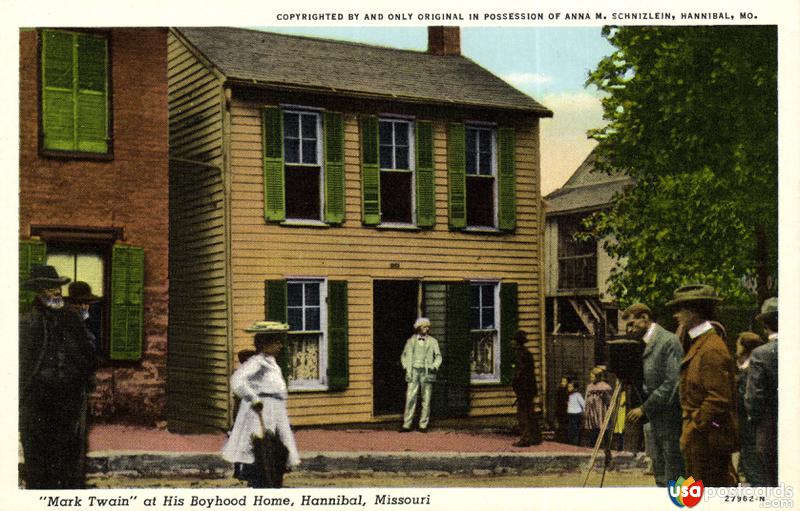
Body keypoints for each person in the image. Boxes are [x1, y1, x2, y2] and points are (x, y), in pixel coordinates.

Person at [19, 265, 95, 489]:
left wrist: (82, 380)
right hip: (38, 402)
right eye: (49, 288)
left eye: (57, 287)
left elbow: (87, 354)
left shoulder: (72, 319)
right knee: (39, 456)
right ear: (38, 291)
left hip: (69, 400)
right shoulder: (27, 320)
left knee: (69, 456)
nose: (56, 292)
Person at [669, 284, 738, 486]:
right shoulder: (702, 343)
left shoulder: (711, 348)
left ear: (693, 312)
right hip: (704, 440)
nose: (677, 315)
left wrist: (694, 427)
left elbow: (718, 399)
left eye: (680, 310)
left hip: (707, 441)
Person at [221, 321, 300, 488]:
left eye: (280, 342)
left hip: (275, 410)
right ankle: (261, 481)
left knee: (276, 447)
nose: (280, 346)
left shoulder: (271, 362)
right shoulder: (257, 362)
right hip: (262, 411)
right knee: (261, 447)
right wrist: (253, 398)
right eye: (276, 342)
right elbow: (237, 381)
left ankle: (272, 477)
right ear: (265, 343)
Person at [621, 303, 684, 487]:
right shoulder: (643, 343)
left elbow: (672, 383)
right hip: (654, 417)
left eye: (633, 324)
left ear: (645, 319)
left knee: (672, 468)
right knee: (659, 467)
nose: (630, 329)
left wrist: (644, 408)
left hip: (668, 415)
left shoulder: (667, 341)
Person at [745, 297, 778, 486]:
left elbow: (754, 397)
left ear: (765, 324)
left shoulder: (760, 354)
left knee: (770, 482)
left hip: (768, 430)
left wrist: (755, 420)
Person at [736, 331, 767, 486]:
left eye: (738, 343)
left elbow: (747, 397)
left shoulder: (749, 370)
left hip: (749, 425)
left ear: (744, 347)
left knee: (752, 467)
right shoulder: (748, 367)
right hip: (749, 425)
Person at [399, 318, 442, 433]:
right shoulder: (411, 341)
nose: (427, 329)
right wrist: (406, 367)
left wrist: (434, 366)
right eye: (424, 327)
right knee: (410, 397)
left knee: (426, 398)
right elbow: (403, 356)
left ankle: (423, 425)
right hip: (413, 372)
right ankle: (407, 424)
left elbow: (438, 356)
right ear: (418, 328)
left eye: (428, 327)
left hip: (426, 372)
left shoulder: (433, 341)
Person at [511, 330, 541, 447]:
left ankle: (525, 439)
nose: (511, 343)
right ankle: (536, 437)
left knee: (523, 415)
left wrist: (516, 385)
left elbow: (520, 373)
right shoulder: (527, 353)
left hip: (524, 389)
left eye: (513, 340)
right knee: (530, 413)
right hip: (529, 389)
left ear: (517, 342)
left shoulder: (520, 354)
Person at [583, 367, 612, 447]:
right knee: (593, 431)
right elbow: (586, 398)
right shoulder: (589, 387)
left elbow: (609, 401)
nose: (591, 378)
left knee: (603, 429)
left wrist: (603, 395)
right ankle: (593, 446)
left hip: (601, 412)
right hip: (592, 412)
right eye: (590, 377)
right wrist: (585, 409)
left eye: (593, 377)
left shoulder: (605, 387)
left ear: (598, 377)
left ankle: (607, 447)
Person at [566, 378, 585, 445]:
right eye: (568, 387)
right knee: (571, 429)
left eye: (570, 387)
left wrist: (584, 411)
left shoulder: (578, 395)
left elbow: (583, 404)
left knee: (576, 429)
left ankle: (576, 442)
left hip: (576, 414)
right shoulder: (569, 396)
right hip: (570, 414)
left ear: (575, 388)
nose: (568, 388)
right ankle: (571, 441)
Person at [555, 376, 571, 443]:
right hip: (561, 410)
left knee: (565, 425)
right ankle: (560, 438)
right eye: (562, 381)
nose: (563, 383)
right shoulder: (561, 391)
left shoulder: (568, 391)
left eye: (564, 382)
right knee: (561, 425)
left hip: (566, 410)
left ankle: (564, 438)